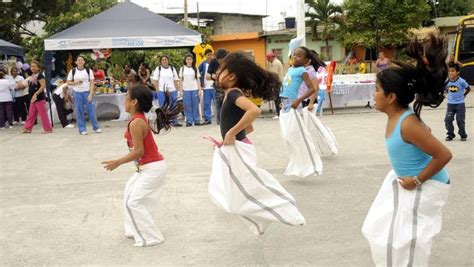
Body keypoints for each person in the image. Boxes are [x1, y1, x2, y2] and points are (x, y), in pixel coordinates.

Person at [362, 34, 452, 266]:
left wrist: (418, 180)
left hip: (426, 185)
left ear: (391, 97)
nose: (374, 94)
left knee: (409, 242)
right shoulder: (403, 117)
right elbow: (422, 136)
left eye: (377, 89)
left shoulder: (407, 123)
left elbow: (444, 155)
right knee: (382, 232)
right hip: (410, 182)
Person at [102, 84, 182, 247]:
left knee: (134, 202)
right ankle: (133, 229)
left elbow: (139, 151)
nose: (124, 100)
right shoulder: (136, 119)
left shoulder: (137, 122)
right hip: (146, 168)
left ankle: (151, 237)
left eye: (126, 97)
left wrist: (117, 162)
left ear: (134, 102)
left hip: (152, 169)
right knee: (129, 196)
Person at [67, 55, 101, 135]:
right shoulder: (73, 71)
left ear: (84, 62)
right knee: (79, 111)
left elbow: (92, 83)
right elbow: (68, 82)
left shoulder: (88, 71)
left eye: (82, 60)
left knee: (91, 110)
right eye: (78, 60)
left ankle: (96, 127)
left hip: (87, 92)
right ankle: (82, 129)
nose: (80, 61)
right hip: (77, 92)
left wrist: (91, 94)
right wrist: (76, 82)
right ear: (76, 62)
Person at [280, 47, 317, 113]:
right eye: (294, 55)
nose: (295, 57)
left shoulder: (302, 71)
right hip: (284, 101)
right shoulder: (290, 69)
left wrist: (298, 100)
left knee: (294, 122)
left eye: (299, 56)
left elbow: (312, 88)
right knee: (287, 122)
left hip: (293, 101)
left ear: (306, 60)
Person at [21, 60, 53, 133]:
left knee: (43, 115)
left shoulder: (40, 75)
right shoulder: (32, 75)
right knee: (31, 114)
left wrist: (36, 94)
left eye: (34, 66)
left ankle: (48, 129)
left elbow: (43, 86)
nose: (33, 68)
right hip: (33, 98)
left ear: (38, 68)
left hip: (39, 98)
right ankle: (27, 128)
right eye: (32, 66)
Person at [151, 55, 182, 127]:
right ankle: (163, 122)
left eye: (166, 60)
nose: (164, 61)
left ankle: (174, 121)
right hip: (162, 90)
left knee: (173, 106)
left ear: (168, 60)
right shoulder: (158, 69)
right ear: (161, 61)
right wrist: (158, 90)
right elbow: (155, 80)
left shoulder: (172, 68)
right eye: (163, 60)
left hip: (172, 90)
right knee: (163, 107)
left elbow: (176, 80)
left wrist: (177, 90)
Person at [444, 61, 470, 141]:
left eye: (452, 71)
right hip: (450, 104)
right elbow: (445, 89)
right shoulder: (447, 82)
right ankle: (450, 134)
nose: (450, 73)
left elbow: (468, 88)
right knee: (448, 120)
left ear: (457, 72)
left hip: (460, 104)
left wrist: (464, 95)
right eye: (449, 71)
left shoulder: (461, 81)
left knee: (460, 120)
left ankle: (463, 135)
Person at [206, 48, 229, 125]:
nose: (221, 63)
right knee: (219, 107)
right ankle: (220, 123)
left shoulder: (231, 62)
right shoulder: (213, 62)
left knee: (228, 107)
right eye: (219, 61)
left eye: (223, 61)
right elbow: (207, 76)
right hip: (218, 89)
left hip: (229, 88)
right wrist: (214, 77)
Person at [179, 54, 202, 126]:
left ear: (192, 60)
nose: (189, 61)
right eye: (187, 59)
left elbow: (198, 79)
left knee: (195, 105)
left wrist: (199, 89)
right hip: (186, 90)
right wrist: (180, 90)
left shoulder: (195, 68)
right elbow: (180, 80)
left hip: (194, 89)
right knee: (187, 105)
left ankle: (196, 120)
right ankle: (189, 120)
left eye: (190, 59)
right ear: (185, 60)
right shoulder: (182, 69)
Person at [266, 52, 285, 118]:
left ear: (272, 57)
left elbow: (274, 75)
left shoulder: (275, 63)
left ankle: (279, 114)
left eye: (268, 58)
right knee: (277, 99)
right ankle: (279, 113)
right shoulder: (273, 62)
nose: (267, 59)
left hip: (277, 83)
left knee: (277, 99)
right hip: (277, 82)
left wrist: (271, 85)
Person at [198, 49, 215, 124]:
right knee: (206, 103)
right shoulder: (202, 64)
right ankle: (208, 119)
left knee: (217, 103)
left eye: (211, 54)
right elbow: (198, 74)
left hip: (215, 87)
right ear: (205, 56)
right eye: (208, 55)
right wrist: (201, 84)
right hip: (206, 87)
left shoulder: (216, 63)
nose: (210, 56)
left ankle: (220, 119)